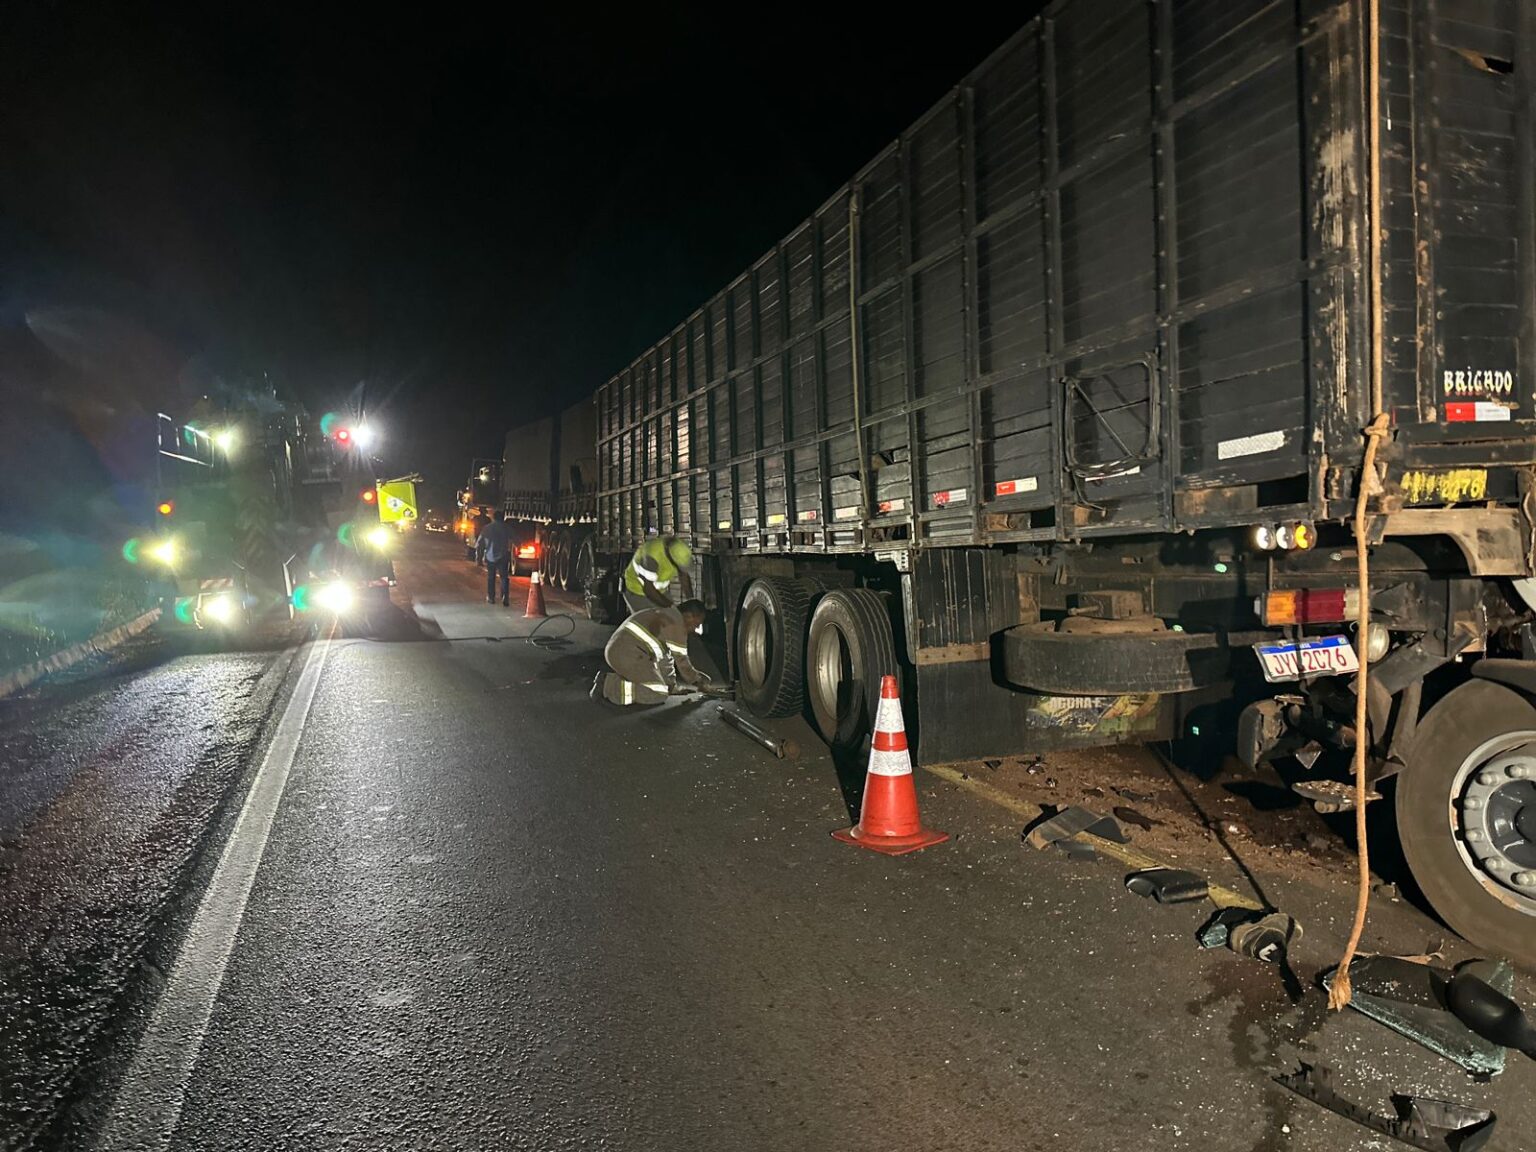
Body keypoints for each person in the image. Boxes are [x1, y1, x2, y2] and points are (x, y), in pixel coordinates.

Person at [591, 599, 709, 707]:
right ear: (688, 616)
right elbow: (683, 662)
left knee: (661, 688)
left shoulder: (667, 613)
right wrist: (699, 681)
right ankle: (608, 686)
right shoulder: (677, 624)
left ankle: (611, 681)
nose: (695, 629)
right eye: (697, 624)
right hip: (628, 655)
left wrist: (671, 686)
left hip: (621, 652)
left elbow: (666, 656)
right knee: (657, 694)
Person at [621, 535, 693, 614]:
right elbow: (649, 590)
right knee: (652, 623)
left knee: (673, 617)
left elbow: (684, 576)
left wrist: (692, 602)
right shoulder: (651, 556)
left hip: (660, 591)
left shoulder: (679, 548)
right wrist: (672, 607)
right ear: (671, 558)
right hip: (638, 591)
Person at [477, 511, 514, 606]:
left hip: (490, 556)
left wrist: (479, 558)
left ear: (493, 517)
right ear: (503, 518)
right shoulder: (506, 528)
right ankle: (505, 596)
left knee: (491, 578)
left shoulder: (487, 528)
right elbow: (516, 539)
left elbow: (479, 543)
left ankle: (491, 597)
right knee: (504, 577)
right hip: (503, 555)